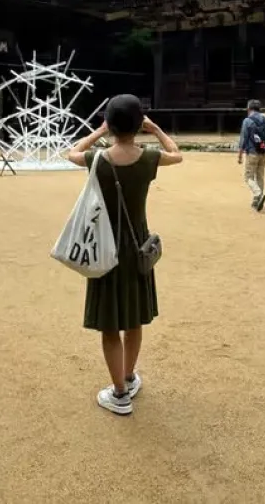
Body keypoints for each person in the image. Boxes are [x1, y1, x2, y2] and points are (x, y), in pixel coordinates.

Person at [66, 94, 182, 416]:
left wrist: (98, 131)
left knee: (109, 324)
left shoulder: (99, 160)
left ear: (111, 125)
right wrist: (155, 129)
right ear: (138, 124)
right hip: (137, 248)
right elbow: (178, 154)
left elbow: (71, 152)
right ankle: (129, 377)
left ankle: (118, 393)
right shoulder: (148, 159)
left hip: (105, 247)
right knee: (133, 318)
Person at [237, 99, 265, 212]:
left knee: (248, 177)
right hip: (264, 152)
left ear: (249, 108)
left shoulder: (247, 121)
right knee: (260, 176)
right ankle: (257, 200)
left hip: (252, 152)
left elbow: (243, 139)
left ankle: (258, 194)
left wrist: (239, 155)